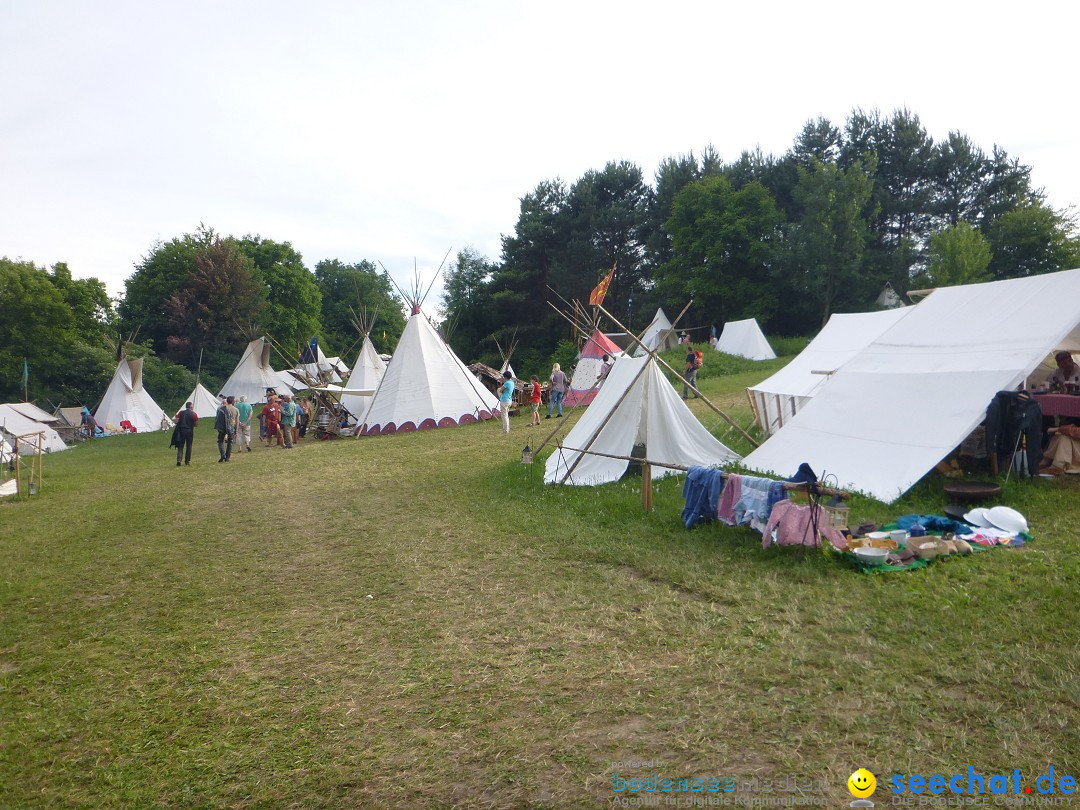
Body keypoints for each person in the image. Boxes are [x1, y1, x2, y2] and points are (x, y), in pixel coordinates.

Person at [214, 396, 239, 462]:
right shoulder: (236, 409)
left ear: (227, 401)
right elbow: (237, 421)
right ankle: (227, 457)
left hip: (222, 427)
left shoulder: (221, 408)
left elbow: (217, 418)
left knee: (220, 441)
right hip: (231, 426)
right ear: (233, 402)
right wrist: (236, 430)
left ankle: (223, 454)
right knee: (230, 442)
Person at [174, 401, 198, 466]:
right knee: (189, 446)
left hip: (181, 431)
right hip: (189, 431)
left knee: (180, 446)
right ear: (190, 407)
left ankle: (179, 460)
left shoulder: (181, 413)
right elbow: (196, 424)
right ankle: (187, 461)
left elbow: (176, 421)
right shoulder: (194, 414)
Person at [498, 370, 514, 434]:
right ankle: (507, 428)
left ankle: (506, 429)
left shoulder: (506, 383)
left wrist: (501, 388)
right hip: (509, 400)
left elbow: (501, 390)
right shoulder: (512, 383)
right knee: (506, 415)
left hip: (504, 400)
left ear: (506, 377)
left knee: (504, 415)